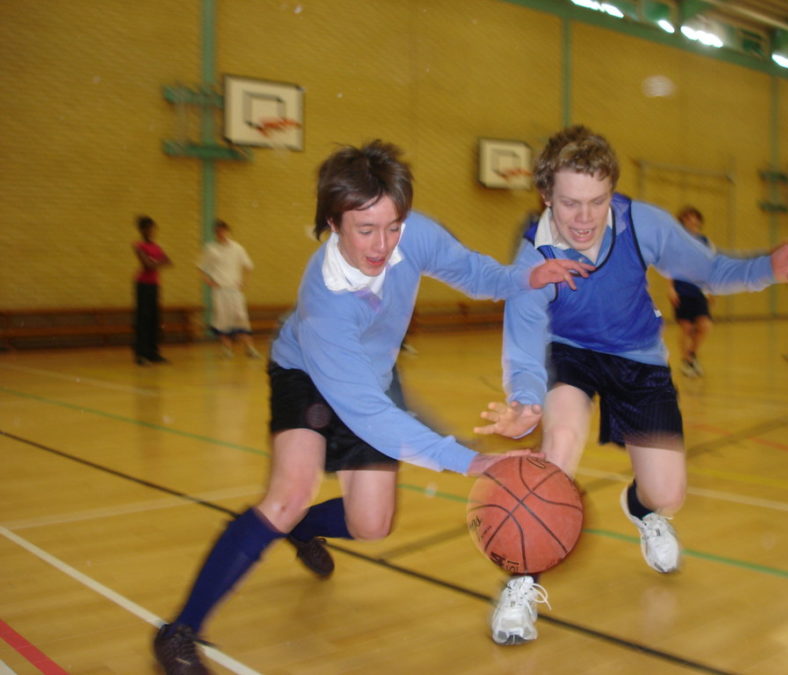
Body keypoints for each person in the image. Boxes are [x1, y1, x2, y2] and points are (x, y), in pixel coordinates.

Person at [152, 140, 592, 674]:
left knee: (373, 523)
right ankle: (180, 631)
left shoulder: (411, 233)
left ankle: (299, 530)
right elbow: (369, 416)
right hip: (308, 374)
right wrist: (471, 462)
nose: (383, 244)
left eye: (393, 226)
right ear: (333, 223)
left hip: (374, 377)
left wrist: (525, 276)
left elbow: (474, 273)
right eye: (366, 230)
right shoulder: (326, 307)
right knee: (289, 493)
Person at [475, 125, 788, 646]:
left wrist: (767, 268)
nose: (586, 218)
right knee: (560, 445)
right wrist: (526, 399)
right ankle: (522, 584)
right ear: (546, 196)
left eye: (598, 201)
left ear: (612, 192)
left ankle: (641, 508)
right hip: (567, 352)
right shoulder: (533, 255)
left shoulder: (643, 225)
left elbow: (709, 270)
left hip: (638, 356)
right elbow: (524, 342)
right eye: (571, 204)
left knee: (667, 492)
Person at [197, 219, 262, 358]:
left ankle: (249, 348)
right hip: (219, 290)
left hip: (235, 290)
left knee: (241, 317)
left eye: (223, 231)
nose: (221, 234)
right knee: (222, 319)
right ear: (215, 233)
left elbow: (248, 266)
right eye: (218, 231)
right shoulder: (211, 249)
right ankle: (227, 348)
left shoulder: (237, 248)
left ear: (228, 231)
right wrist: (209, 282)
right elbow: (200, 268)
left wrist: (244, 282)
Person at [667, 206, 714, 377]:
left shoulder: (705, 241)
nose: (691, 221)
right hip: (681, 290)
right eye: (687, 218)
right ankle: (687, 362)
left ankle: (690, 356)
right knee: (686, 328)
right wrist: (671, 288)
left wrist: (711, 290)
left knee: (705, 325)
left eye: (694, 218)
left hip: (699, 290)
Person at [133, 215, 172, 365]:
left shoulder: (156, 246)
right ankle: (140, 354)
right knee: (143, 319)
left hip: (154, 284)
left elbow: (168, 261)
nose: (151, 232)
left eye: (153, 229)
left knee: (154, 319)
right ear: (142, 230)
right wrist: (157, 262)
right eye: (148, 229)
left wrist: (154, 262)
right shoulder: (138, 245)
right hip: (143, 284)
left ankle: (153, 352)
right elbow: (147, 265)